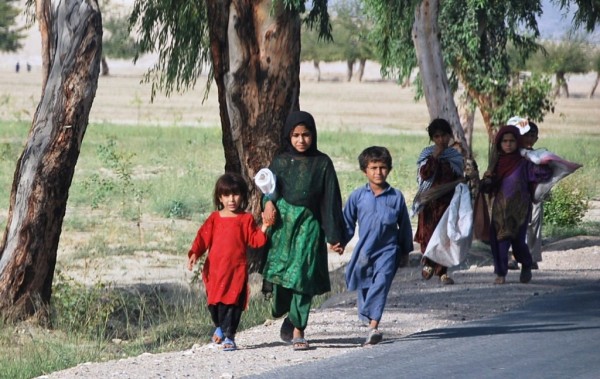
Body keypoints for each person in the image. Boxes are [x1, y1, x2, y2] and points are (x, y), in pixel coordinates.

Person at [261, 110, 347, 351]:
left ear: (314, 135)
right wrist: (267, 202)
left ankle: (299, 329)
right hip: (282, 227)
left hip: (309, 226)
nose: (301, 140)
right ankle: (287, 316)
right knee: (281, 280)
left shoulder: (322, 163)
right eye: (296, 135)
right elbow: (268, 187)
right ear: (289, 136)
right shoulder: (279, 161)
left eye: (306, 134)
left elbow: (330, 201)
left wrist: (334, 236)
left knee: (303, 277)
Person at [187, 173, 272, 351]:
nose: (231, 199)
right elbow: (202, 238)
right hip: (215, 271)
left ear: (243, 196)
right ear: (220, 197)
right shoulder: (214, 219)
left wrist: (264, 226)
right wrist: (195, 252)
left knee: (232, 304)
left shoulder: (245, 219)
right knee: (214, 303)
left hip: (236, 271)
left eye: (235, 194)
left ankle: (229, 336)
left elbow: (255, 240)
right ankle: (219, 326)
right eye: (226, 195)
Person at [342, 146, 413, 345]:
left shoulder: (395, 197)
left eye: (382, 167)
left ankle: (374, 326)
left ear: (389, 169)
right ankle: (367, 314)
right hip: (365, 251)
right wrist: (339, 242)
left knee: (381, 283)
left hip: (388, 251)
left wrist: (405, 251)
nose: (378, 172)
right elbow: (347, 222)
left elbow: (405, 225)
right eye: (373, 167)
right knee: (364, 284)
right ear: (365, 170)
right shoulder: (358, 196)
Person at [480, 125, 552, 284]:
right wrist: (486, 180)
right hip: (500, 209)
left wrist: (542, 163)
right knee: (499, 240)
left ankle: (526, 263)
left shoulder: (524, 161)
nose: (508, 144)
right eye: (504, 141)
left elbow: (541, 174)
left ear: (517, 141)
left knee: (518, 242)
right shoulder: (496, 163)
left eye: (512, 141)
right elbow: (488, 187)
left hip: (520, 209)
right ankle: (501, 273)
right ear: (499, 143)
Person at [412, 118, 464, 285]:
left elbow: (458, 178)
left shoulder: (454, 156)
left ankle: (442, 272)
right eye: (437, 136)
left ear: (449, 136)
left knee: (444, 237)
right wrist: (435, 156)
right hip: (429, 203)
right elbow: (424, 175)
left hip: (447, 204)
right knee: (428, 236)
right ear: (432, 138)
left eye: (444, 136)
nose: (441, 140)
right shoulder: (427, 155)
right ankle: (428, 263)